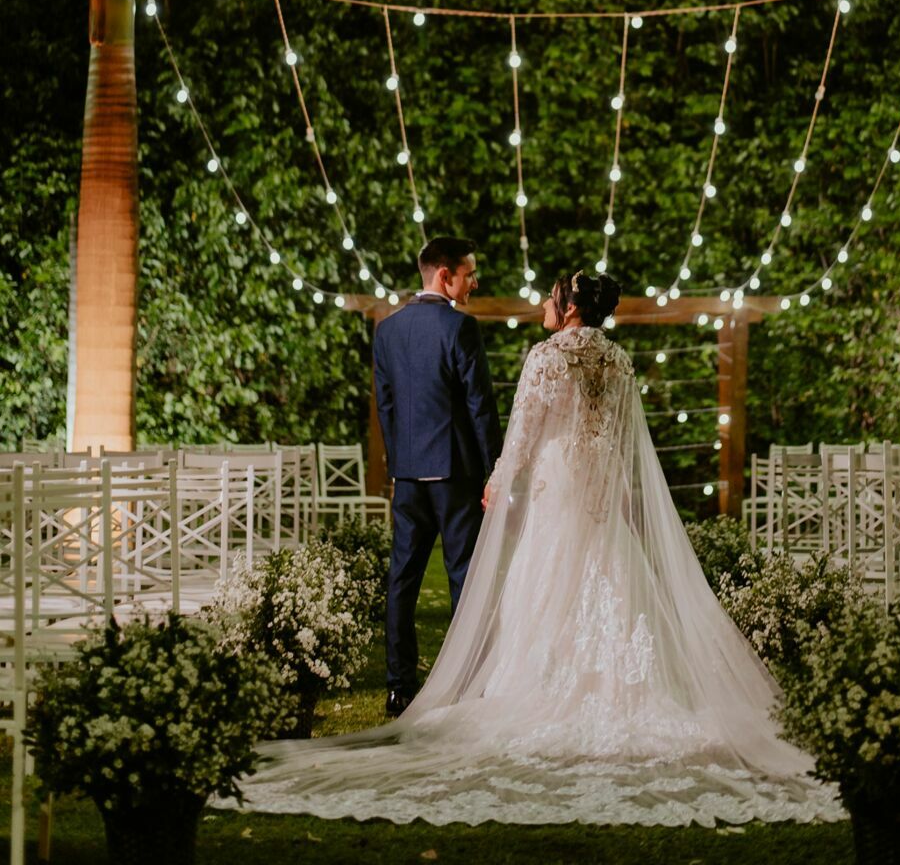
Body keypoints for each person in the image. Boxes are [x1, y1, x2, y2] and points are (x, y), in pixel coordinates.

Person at [232, 269, 841, 828]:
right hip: (600, 487)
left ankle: (541, 687)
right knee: (609, 573)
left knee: (546, 579)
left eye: (553, 296)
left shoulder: (546, 357)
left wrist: (497, 480)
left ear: (571, 307)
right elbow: (627, 440)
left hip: (556, 486)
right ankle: (615, 687)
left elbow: (524, 431)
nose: (546, 304)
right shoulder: (621, 361)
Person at [373, 235, 502, 717]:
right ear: (444, 275)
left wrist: (399, 463)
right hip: (455, 475)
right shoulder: (459, 328)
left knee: (402, 579)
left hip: (408, 477)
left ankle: (398, 687)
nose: (475, 281)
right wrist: (496, 467)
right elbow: (480, 407)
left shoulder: (387, 331)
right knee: (464, 579)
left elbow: (386, 407)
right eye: (469, 273)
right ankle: (469, 683)